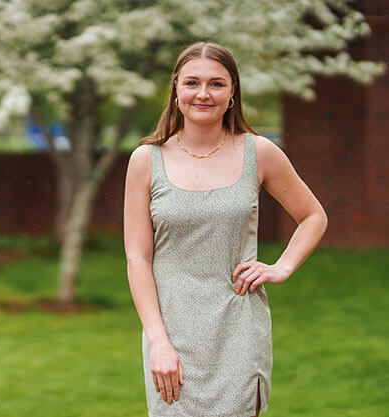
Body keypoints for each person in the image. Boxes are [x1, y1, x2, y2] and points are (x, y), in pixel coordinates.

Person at [123, 42, 328, 417]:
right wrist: (158, 342)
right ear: (176, 89)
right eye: (192, 83)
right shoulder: (146, 160)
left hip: (238, 331)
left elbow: (313, 216)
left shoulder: (259, 153)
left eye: (216, 84)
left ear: (233, 92)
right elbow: (137, 258)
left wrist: (281, 267)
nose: (203, 94)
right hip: (172, 334)